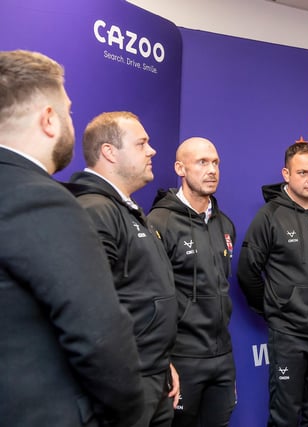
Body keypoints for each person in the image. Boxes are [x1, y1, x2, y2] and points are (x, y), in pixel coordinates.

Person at [0, 50, 144, 426]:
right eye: (67, 111)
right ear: (49, 120)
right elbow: (99, 336)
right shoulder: (42, 200)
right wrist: (129, 415)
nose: (69, 121)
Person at [67, 111, 179, 427]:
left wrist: (161, 362)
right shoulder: (95, 211)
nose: (152, 150)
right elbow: (87, 313)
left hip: (152, 375)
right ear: (109, 152)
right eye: (141, 143)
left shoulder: (125, 209)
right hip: (125, 385)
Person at [237, 142, 308, 427]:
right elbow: (247, 272)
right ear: (286, 174)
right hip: (289, 335)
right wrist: (277, 307)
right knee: (284, 417)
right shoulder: (269, 216)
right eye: (302, 173)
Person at [147, 137, 237, 427]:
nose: (212, 170)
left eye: (215, 163)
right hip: (181, 358)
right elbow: (149, 296)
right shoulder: (159, 222)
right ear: (180, 168)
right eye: (202, 162)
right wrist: (164, 358)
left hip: (222, 356)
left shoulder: (225, 224)